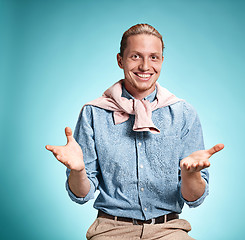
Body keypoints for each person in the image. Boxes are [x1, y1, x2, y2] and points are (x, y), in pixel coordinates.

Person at [46, 23, 224, 240]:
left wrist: (190, 175)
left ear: (162, 61)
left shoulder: (183, 113)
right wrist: (78, 170)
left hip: (169, 230)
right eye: (136, 56)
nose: (145, 66)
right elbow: (82, 194)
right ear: (120, 60)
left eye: (154, 57)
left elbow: (194, 198)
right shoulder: (93, 113)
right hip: (110, 230)